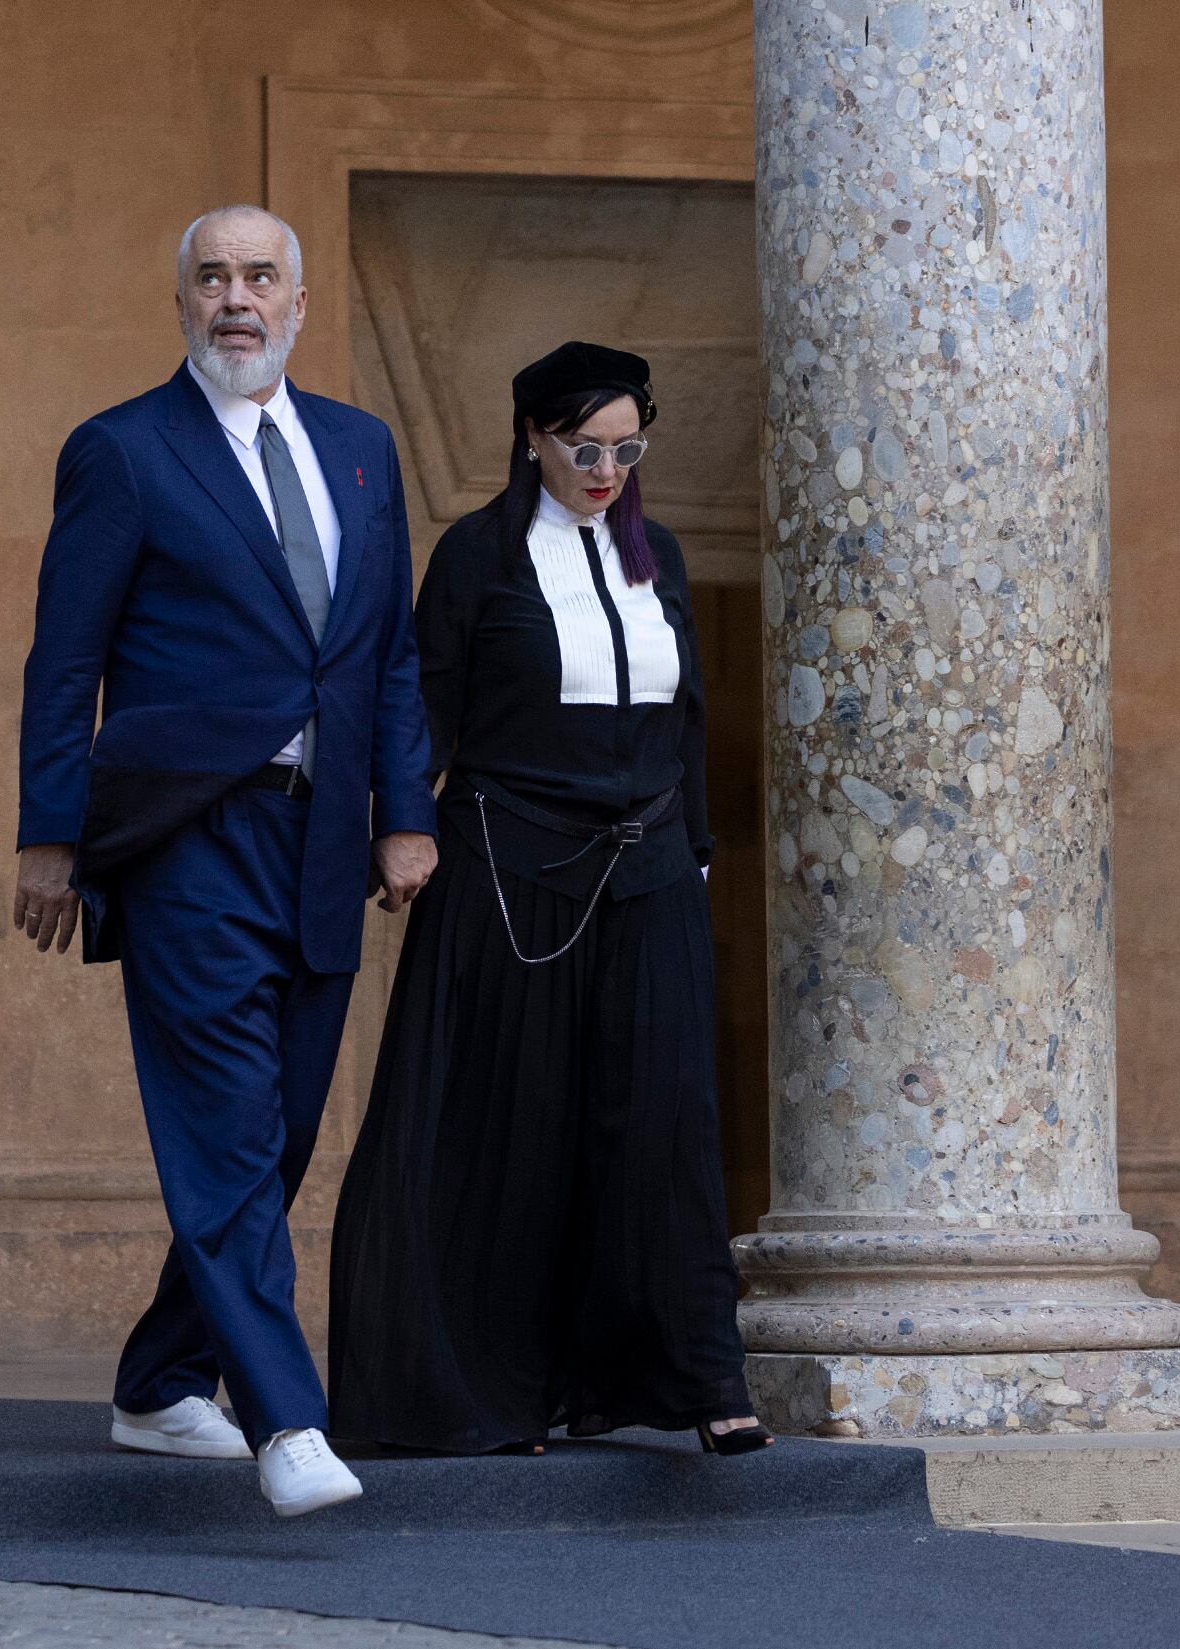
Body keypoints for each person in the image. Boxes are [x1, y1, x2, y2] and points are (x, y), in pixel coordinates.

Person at [15, 205, 438, 1515]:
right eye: (211, 278)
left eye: (259, 277)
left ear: (299, 303)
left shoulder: (361, 454)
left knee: (281, 1130)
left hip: (319, 838)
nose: (235, 299)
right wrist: (49, 832)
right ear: (181, 304)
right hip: (185, 835)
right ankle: (285, 1419)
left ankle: (158, 1381)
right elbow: (64, 657)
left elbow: (387, 656)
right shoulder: (124, 452)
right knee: (222, 1130)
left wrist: (401, 809)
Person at [327, 341, 771, 1458]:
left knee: (664, 1124)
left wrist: (699, 850)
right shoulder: (477, 557)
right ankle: (491, 1393)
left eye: (627, 447)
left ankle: (701, 1377)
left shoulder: (656, 552)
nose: (608, 468)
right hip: (509, 875)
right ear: (532, 437)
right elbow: (419, 705)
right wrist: (400, 820)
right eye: (586, 447)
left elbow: (686, 717)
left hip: (651, 874)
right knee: (511, 1130)